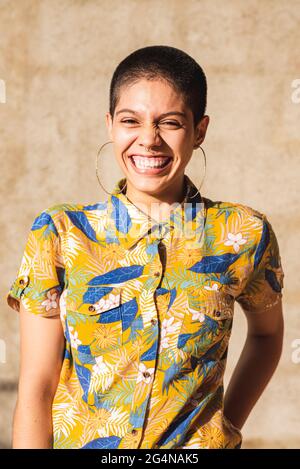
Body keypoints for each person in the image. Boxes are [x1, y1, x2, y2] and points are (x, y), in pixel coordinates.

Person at [6, 45, 285, 449]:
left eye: (170, 122)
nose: (149, 140)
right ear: (110, 125)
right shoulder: (60, 233)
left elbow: (267, 336)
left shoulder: (243, 233)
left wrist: (224, 430)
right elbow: (37, 385)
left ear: (199, 129)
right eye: (130, 121)